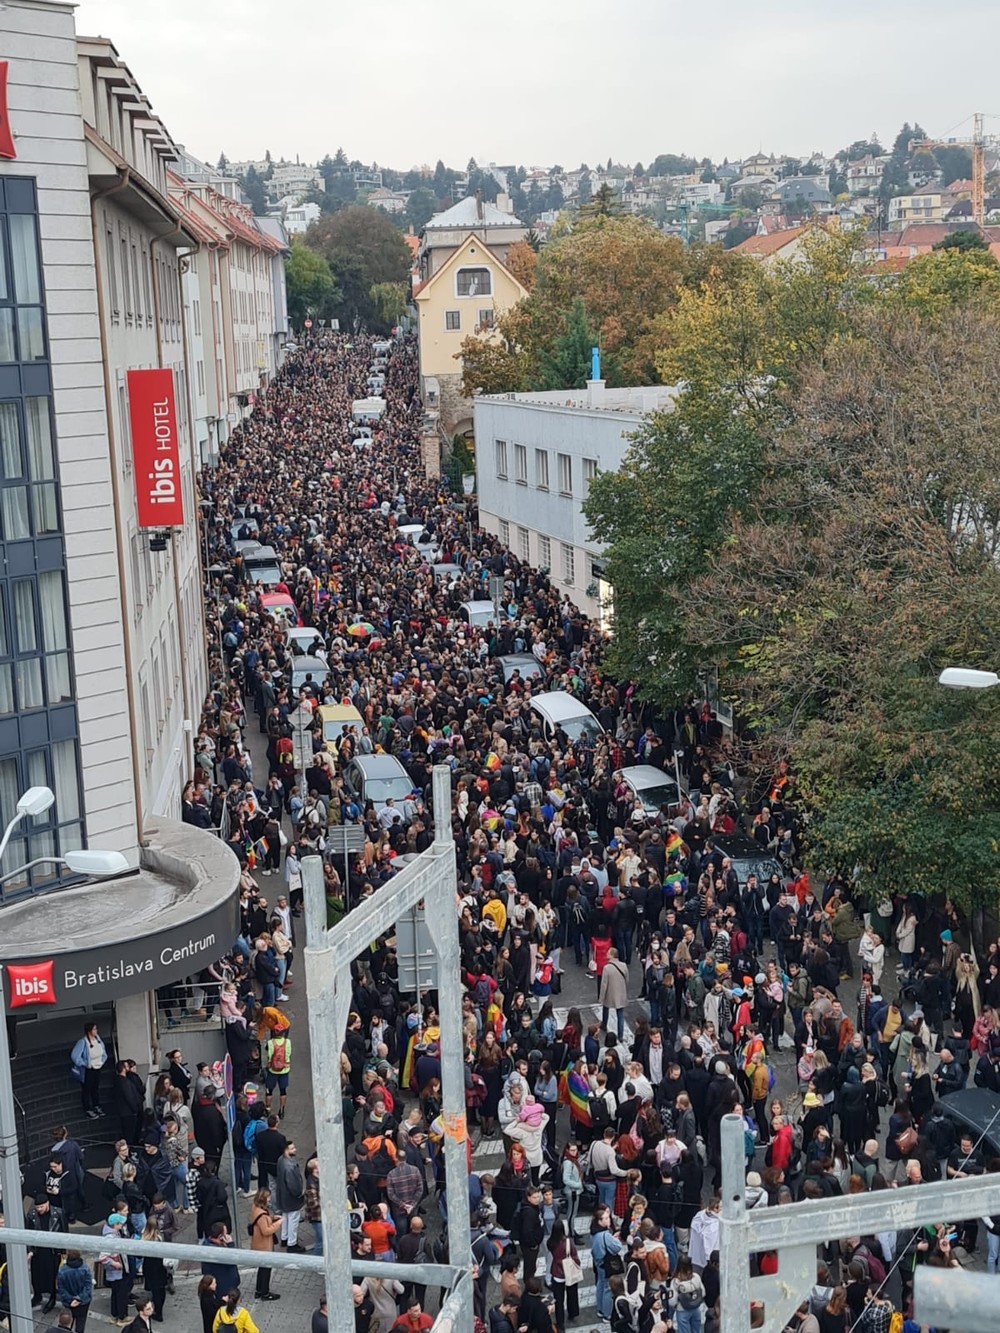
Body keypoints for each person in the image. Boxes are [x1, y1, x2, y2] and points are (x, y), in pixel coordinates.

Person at [27, 1191, 65, 1311]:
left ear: (47, 1204)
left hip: (52, 1251)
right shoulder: (32, 1215)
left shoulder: (58, 1213)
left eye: (42, 1207)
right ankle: (37, 1295)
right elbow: (28, 1233)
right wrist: (30, 1250)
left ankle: (52, 1297)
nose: (39, 1209)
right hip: (38, 1251)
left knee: (52, 1275)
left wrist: (63, 1251)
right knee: (36, 1275)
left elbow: (64, 1231)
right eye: (37, 1207)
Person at [247, 1187, 283, 1301]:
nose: (270, 1199)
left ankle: (259, 1290)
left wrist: (272, 1218)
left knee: (261, 1268)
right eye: (268, 1197)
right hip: (264, 1246)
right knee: (266, 1269)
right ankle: (265, 1293)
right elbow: (266, 1231)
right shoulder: (262, 1214)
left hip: (257, 1244)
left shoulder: (255, 1207)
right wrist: (278, 1224)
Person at [547, 1217, 581, 1331]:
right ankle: (572, 1313)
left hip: (557, 1273)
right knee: (572, 1294)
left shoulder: (550, 1242)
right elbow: (575, 1256)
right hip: (569, 1272)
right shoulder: (569, 1241)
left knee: (559, 1300)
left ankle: (560, 1322)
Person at [70, 1022, 108, 1119]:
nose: (96, 1031)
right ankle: (87, 1109)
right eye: (94, 1029)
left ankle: (96, 1105)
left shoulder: (98, 1039)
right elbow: (74, 1056)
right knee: (86, 1090)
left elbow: (103, 1051)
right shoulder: (82, 1042)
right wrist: (85, 1063)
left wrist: (102, 1061)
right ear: (89, 1031)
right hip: (88, 1070)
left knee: (95, 1088)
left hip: (97, 1068)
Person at [274, 1140, 305, 1253]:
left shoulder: (280, 1160)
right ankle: (292, 1243)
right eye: (292, 1148)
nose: (295, 1149)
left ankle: (284, 1238)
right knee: (293, 1219)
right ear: (286, 1150)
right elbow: (294, 1185)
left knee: (285, 1217)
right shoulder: (290, 1167)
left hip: (282, 1195)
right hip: (291, 1198)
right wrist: (299, 1194)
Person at [56, 1249, 92, 1333]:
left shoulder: (62, 1271)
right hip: (83, 1302)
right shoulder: (85, 1268)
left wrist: (71, 1299)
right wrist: (79, 1298)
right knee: (80, 1325)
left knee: (66, 1326)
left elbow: (61, 1289)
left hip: (69, 1303)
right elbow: (88, 1286)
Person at [263, 1027, 292, 1119]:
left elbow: (269, 1056)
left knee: (269, 1091)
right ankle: (282, 1110)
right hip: (284, 1070)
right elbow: (289, 1054)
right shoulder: (288, 1042)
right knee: (283, 1091)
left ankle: (267, 1109)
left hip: (272, 1071)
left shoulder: (270, 1043)